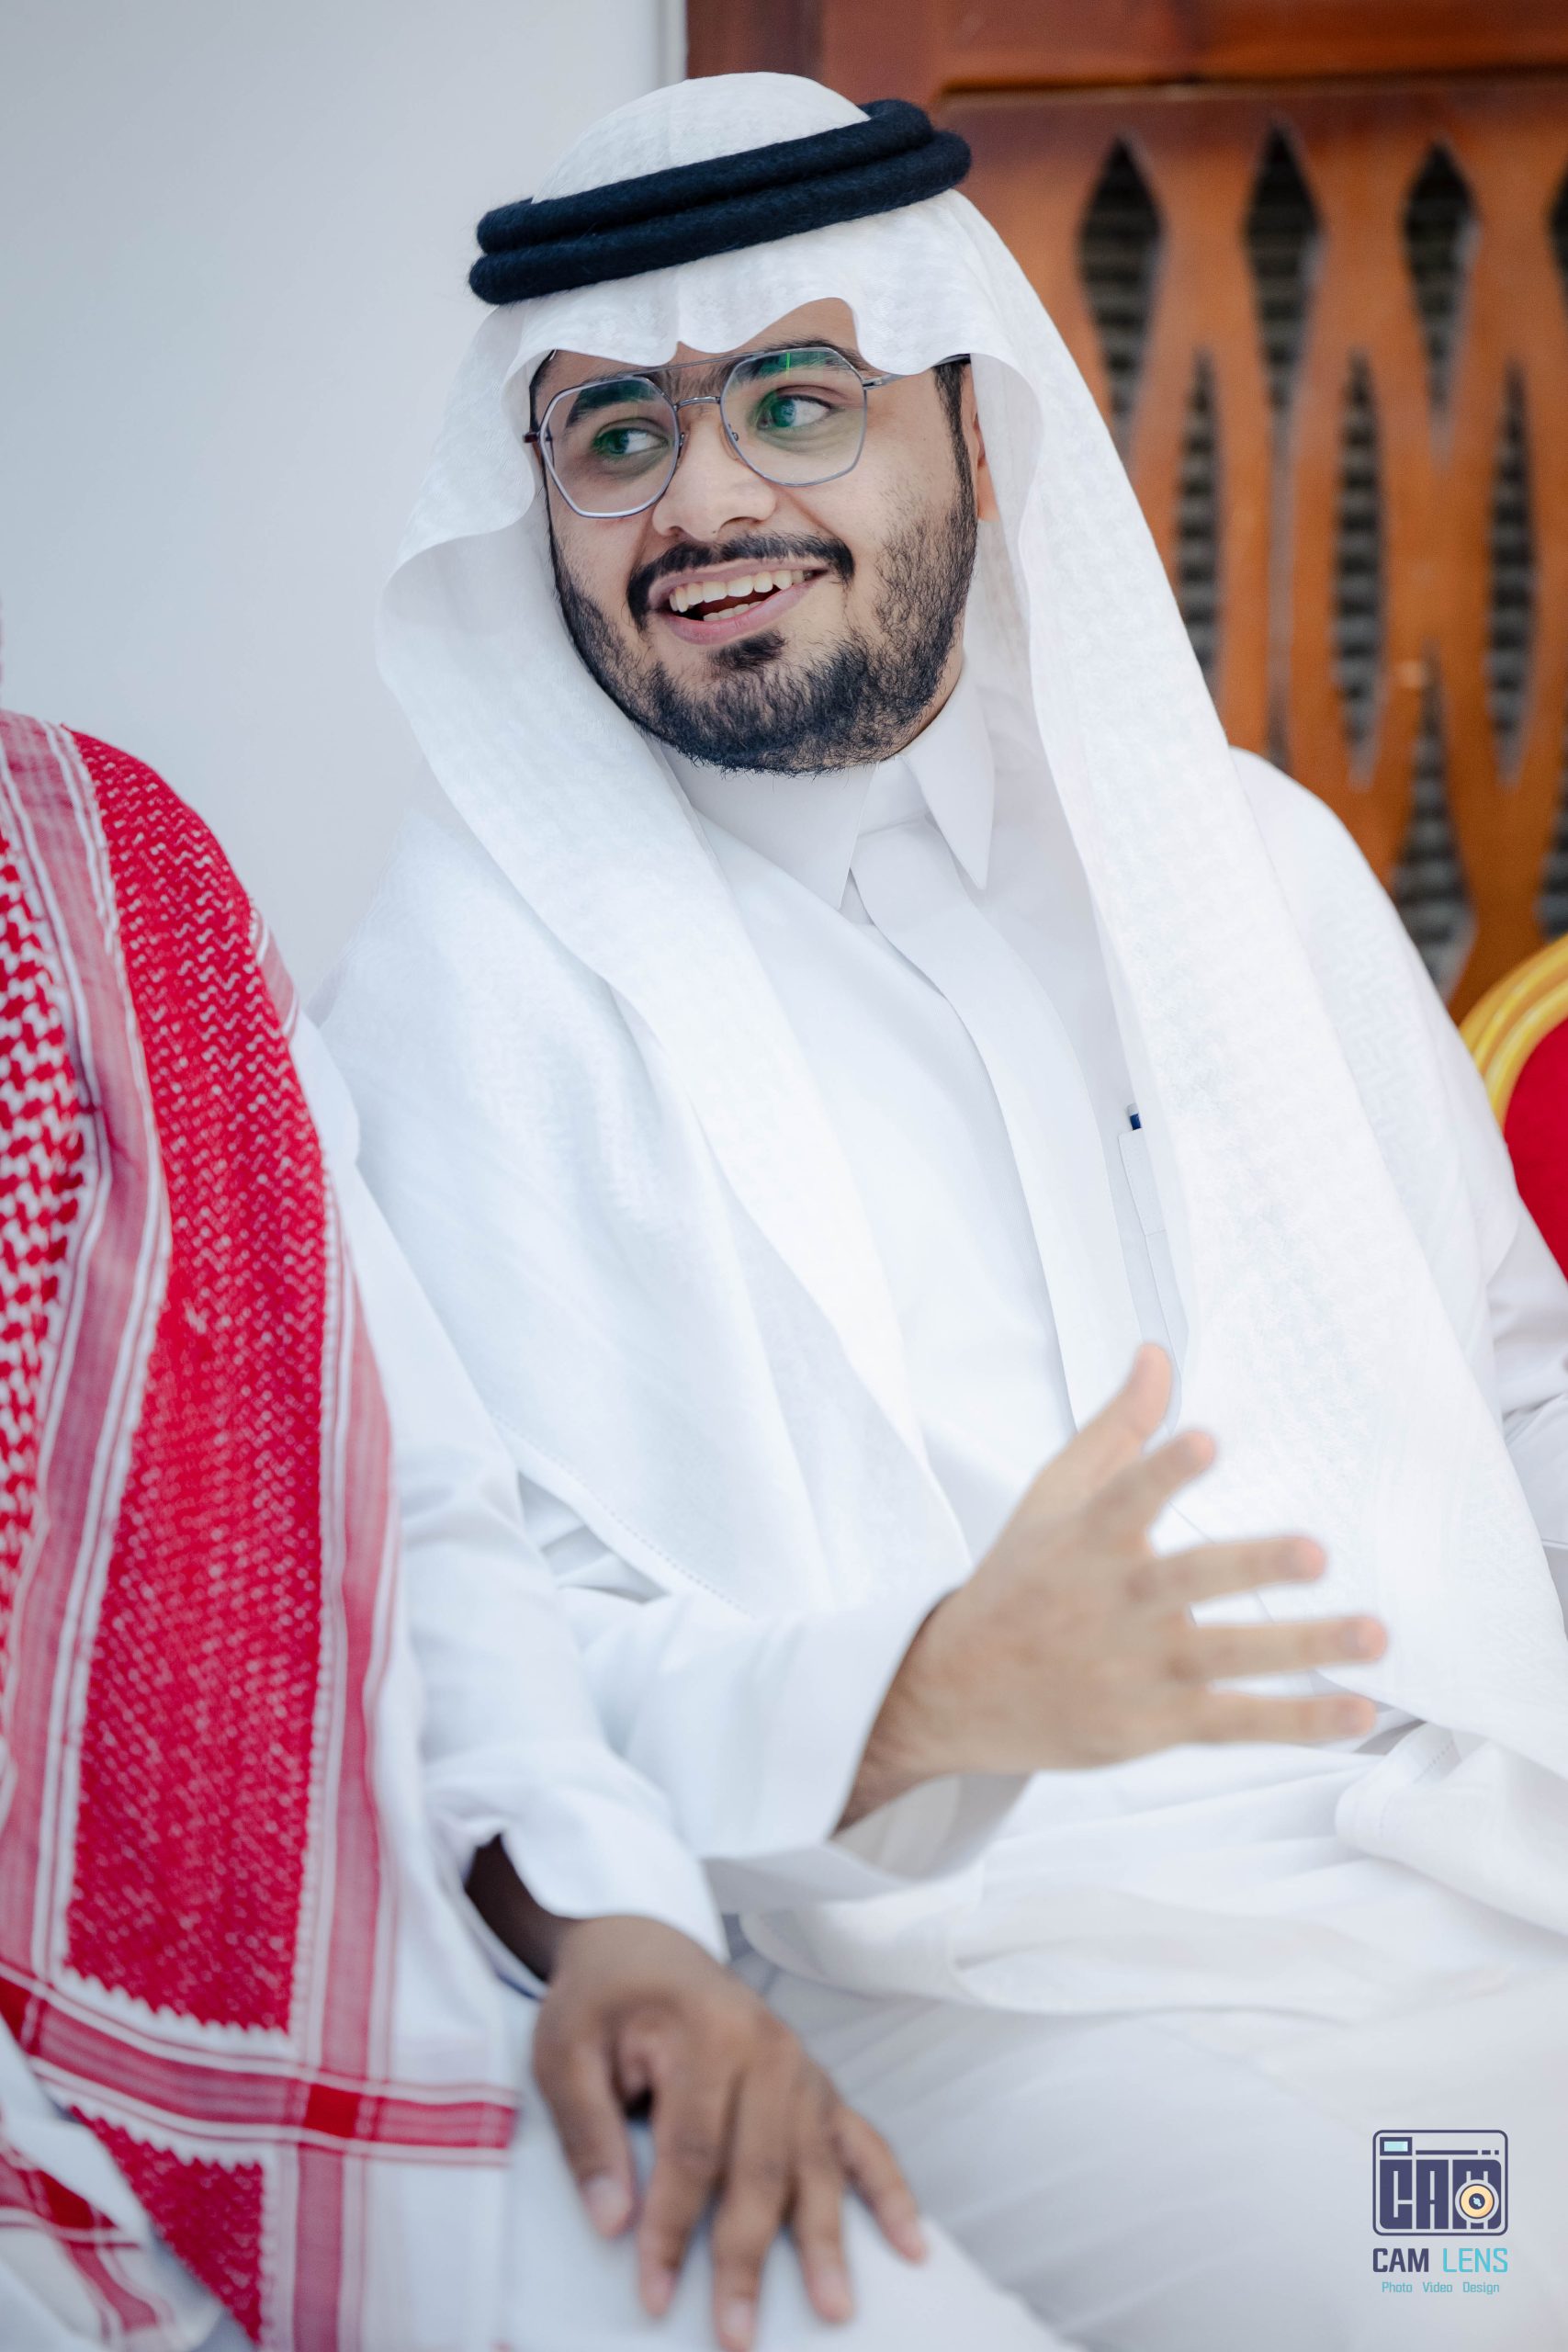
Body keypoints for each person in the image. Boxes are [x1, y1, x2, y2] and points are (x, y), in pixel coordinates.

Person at [321, 73, 1568, 2349]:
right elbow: (480, 1646)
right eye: (615, 436)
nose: (703, 499)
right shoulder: (467, 999)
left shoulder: (1241, 861)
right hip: (980, 1966)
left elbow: (1511, 1389)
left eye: (796, 400)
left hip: (1454, 1843)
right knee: (1456, 2293)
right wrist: (912, 1691)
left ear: (972, 431)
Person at [0, 708, 1056, 2351]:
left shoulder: (102, 869)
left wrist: (620, 1930)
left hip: (277, 1991)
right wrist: (906, 1706)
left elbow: (407, 1507)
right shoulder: (472, 962)